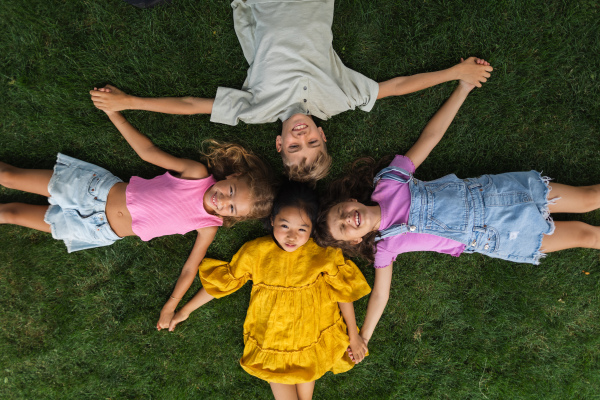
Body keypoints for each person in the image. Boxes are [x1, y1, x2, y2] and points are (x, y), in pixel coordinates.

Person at [315, 66, 600, 349]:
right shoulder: (386, 247)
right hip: (495, 236)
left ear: (350, 201)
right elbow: (380, 295)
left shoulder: (388, 182)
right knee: (586, 236)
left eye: (340, 211)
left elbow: (431, 137)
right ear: (354, 240)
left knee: (588, 198)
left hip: (498, 195)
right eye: (343, 228)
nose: (347, 219)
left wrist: (463, 86)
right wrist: (363, 337)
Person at [89, 0, 493, 182]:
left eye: (294, 147)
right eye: (312, 143)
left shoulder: (256, 110)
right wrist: (454, 71)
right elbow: (398, 87)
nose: (302, 138)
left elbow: (192, 105)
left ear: (278, 144)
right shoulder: (341, 99)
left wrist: (130, 102)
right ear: (323, 134)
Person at [0, 109, 275, 331]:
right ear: (233, 177)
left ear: (233, 218)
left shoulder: (207, 226)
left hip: (96, 230)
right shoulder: (196, 174)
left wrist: (171, 305)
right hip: (93, 191)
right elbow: (148, 152)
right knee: (10, 176)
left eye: (230, 208)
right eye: (230, 192)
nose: (222, 201)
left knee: (10, 214)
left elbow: (190, 269)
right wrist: (114, 114)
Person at [168, 181, 371, 400]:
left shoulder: (323, 253)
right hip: (272, 342)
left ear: (312, 229)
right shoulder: (255, 252)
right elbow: (224, 282)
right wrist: (186, 310)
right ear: (272, 220)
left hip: (313, 335)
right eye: (285, 226)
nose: (292, 236)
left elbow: (342, 292)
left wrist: (353, 335)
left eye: (302, 229)